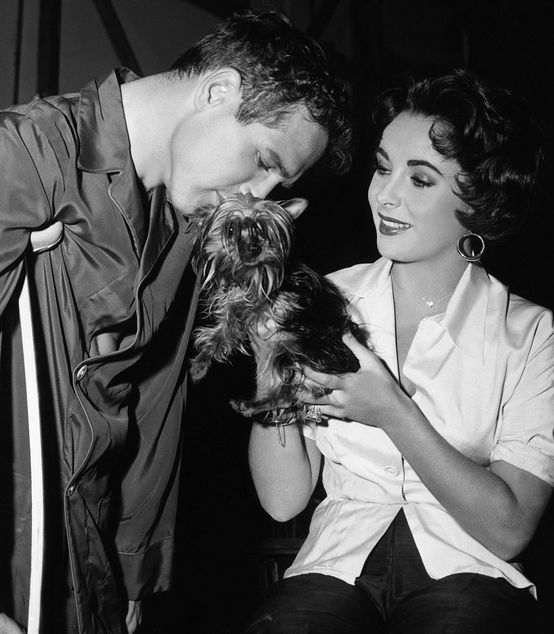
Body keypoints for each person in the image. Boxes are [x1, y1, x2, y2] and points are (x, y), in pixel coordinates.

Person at [0, 9, 351, 634]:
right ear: (217, 91)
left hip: (86, 557)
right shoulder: (25, 160)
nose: (260, 196)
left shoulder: (187, 231)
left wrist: (135, 565)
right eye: (263, 160)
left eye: (279, 182)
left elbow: (155, 405)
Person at [245, 69, 554, 633]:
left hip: (469, 565)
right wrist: (272, 362)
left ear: (481, 201)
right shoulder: (327, 299)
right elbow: (283, 500)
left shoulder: (531, 333)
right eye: (383, 167)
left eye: (421, 180)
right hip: (335, 562)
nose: (384, 195)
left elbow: (510, 528)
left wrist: (391, 409)